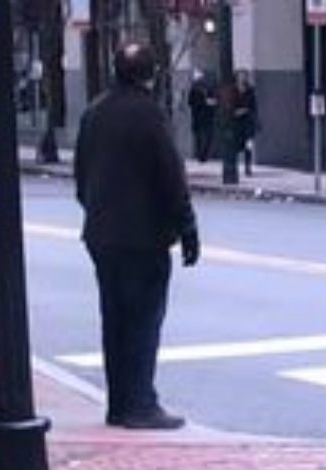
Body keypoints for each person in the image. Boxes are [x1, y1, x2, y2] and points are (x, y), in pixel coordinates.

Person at [74, 42, 199, 431]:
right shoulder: (150, 116)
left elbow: (81, 176)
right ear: (151, 74)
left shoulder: (94, 112)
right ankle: (141, 403)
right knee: (144, 320)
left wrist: (97, 211)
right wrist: (187, 228)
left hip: (101, 234)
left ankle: (119, 404)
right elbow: (171, 178)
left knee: (114, 320)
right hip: (143, 237)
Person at [232, 70, 258, 177]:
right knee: (236, 146)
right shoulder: (233, 90)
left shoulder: (250, 90)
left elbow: (254, 106)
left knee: (248, 146)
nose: (243, 78)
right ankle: (234, 167)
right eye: (241, 76)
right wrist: (234, 112)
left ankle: (248, 167)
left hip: (247, 122)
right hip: (236, 123)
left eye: (245, 76)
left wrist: (247, 111)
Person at [187, 69, 216, 163]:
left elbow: (190, 102)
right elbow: (191, 102)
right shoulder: (195, 90)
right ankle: (201, 155)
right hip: (200, 115)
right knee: (201, 136)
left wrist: (211, 103)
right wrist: (206, 103)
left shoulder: (207, 89)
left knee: (204, 136)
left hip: (204, 115)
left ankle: (202, 154)